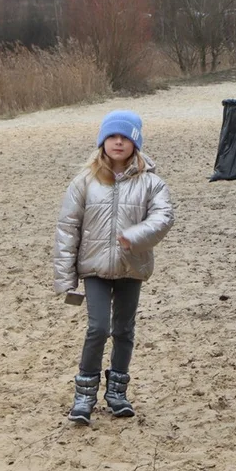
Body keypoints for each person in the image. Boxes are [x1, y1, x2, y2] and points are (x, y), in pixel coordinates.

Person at [53, 110, 175, 425]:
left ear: (135, 142)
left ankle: (117, 393)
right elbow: (68, 229)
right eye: (112, 136)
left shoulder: (152, 183)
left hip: (130, 267)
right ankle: (84, 394)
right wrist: (66, 279)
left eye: (125, 137)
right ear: (103, 141)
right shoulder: (84, 181)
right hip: (93, 268)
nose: (118, 142)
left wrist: (133, 237)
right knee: (98, 328)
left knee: (123, 330)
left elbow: (163, 219)